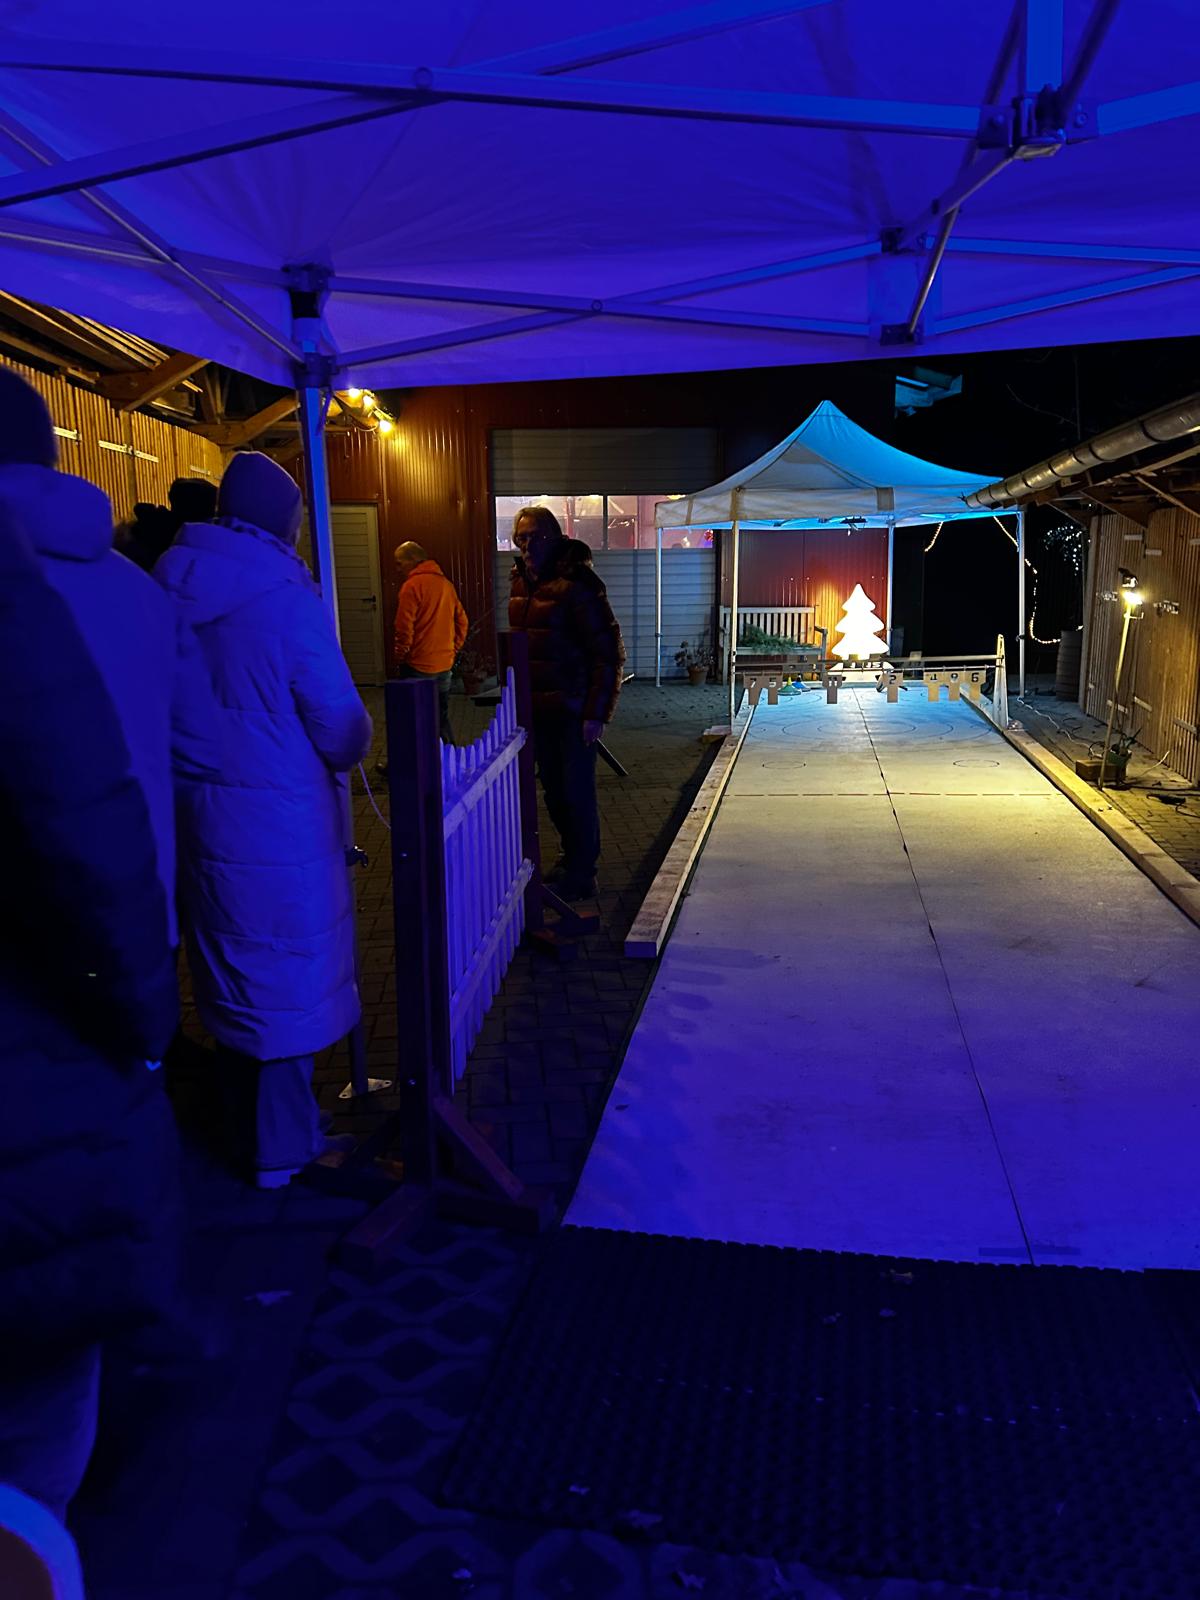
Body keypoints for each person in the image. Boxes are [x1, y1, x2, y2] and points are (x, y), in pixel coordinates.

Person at [0, 501, 180, 1524]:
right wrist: (145, 1026)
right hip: (37, 1050)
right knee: (35, 1449)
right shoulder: (110, 592)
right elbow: (83, 833)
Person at [155, 451, 372, 1188]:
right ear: (285, 521)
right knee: (285, 974)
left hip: (200, 817)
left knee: (233, 967)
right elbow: (342, 726)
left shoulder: (167, 583)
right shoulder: (284, 599)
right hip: (280, 827)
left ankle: (247, 1123)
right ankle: (284, 1151)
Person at [0, 370, 178, 945]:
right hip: (138, 875)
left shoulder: (31, 588)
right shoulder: (138, 589)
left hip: (41, 916)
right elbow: (193, 731)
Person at [509, 505, 624, 900]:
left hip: (574, 711)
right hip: (538, 711)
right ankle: (570, 857)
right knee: (554, 792)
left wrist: (597, 713)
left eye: (535, 537)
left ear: (554, 538)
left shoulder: (579, 584)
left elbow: (608, 653)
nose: (527, 546)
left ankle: (583, 872)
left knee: (576, 793)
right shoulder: (521, 582)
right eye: (521, 538)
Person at [392, 540, 468, 743]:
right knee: (440, 716)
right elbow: (462, 621)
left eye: (399, 563)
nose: (397, 569)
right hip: (444, 665)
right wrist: (453, 648)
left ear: (413, 560)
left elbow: (404, 628)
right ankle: (449, 756)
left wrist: (400, 655)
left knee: (415, 718)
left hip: (417, 665)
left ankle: (418, 758)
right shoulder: (446, 585)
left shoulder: (411, 587)